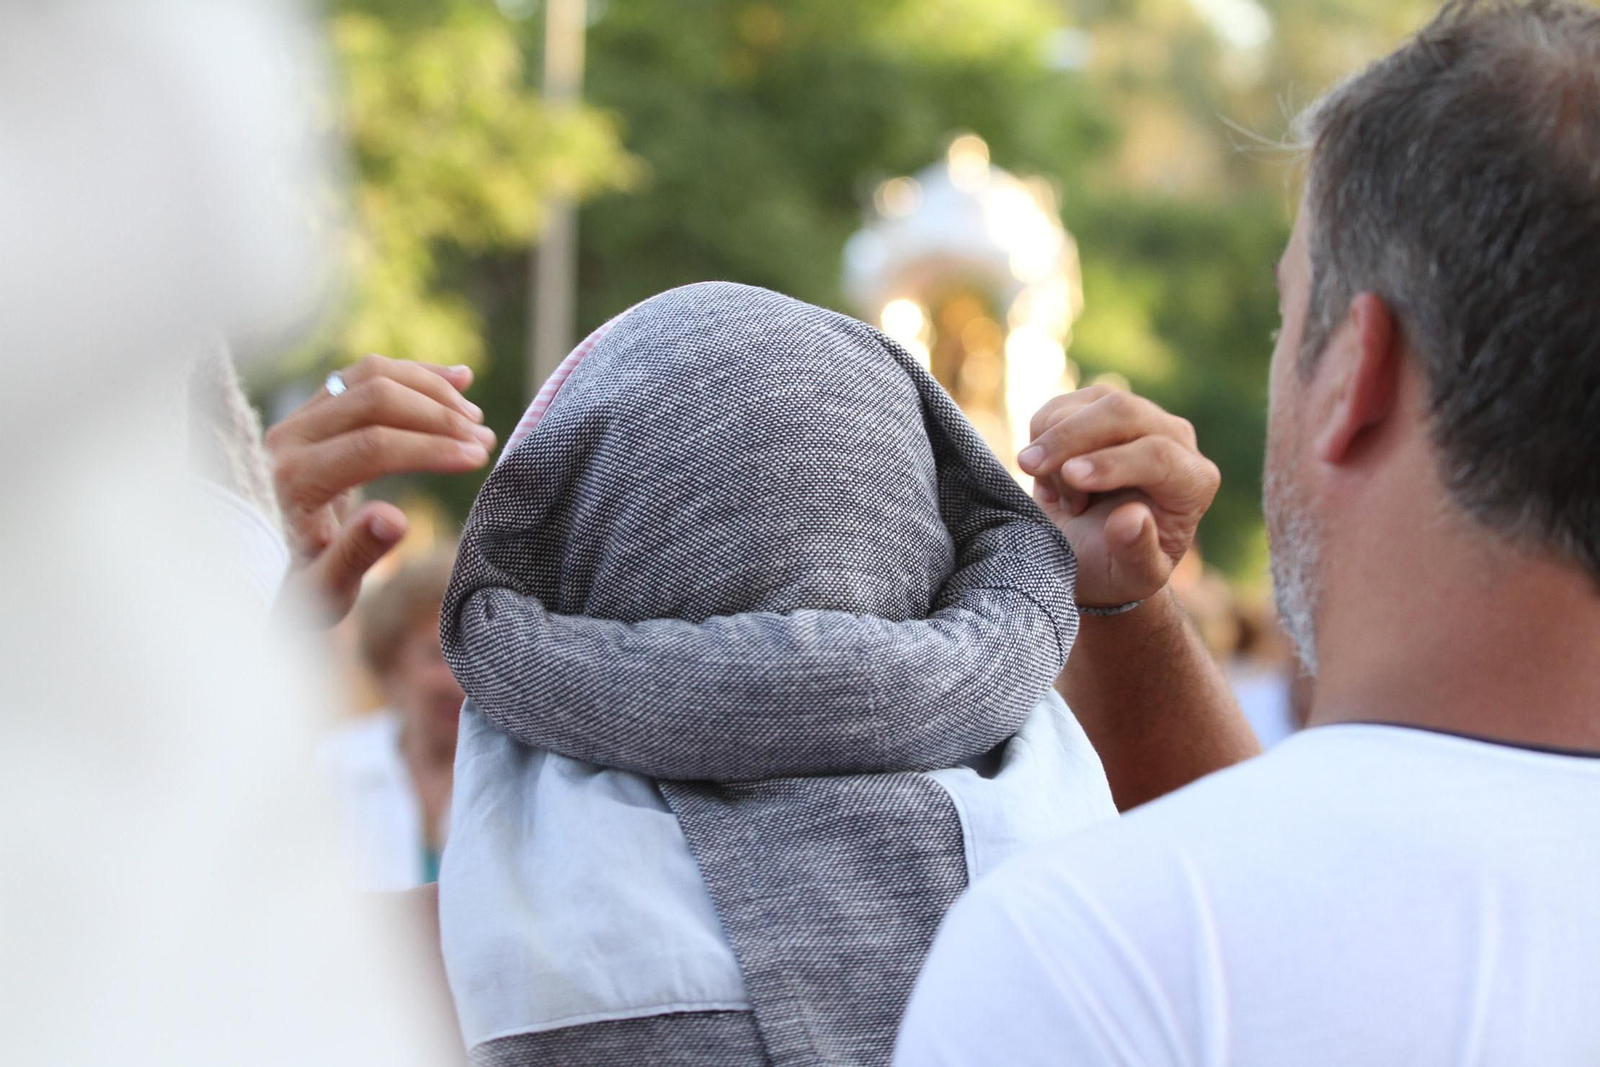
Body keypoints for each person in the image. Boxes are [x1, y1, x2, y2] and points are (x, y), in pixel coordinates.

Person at [895, 2, 1600, 1062]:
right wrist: (1124, 609)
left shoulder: (1080, 959)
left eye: (1286, 319)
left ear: (1356, 371)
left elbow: (1294, 901)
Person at [435, 281, 1256, 1066]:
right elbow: (1285, 918)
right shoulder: (1085, 881)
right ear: (930, 534)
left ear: (577, 552)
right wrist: (1122, 603)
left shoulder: (459, 952)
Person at [322, 549, 464, 890]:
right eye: (435, 656)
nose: (455, 680)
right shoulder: (333, 766)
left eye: (468, 656)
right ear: (390, 663)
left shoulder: (520, 773)